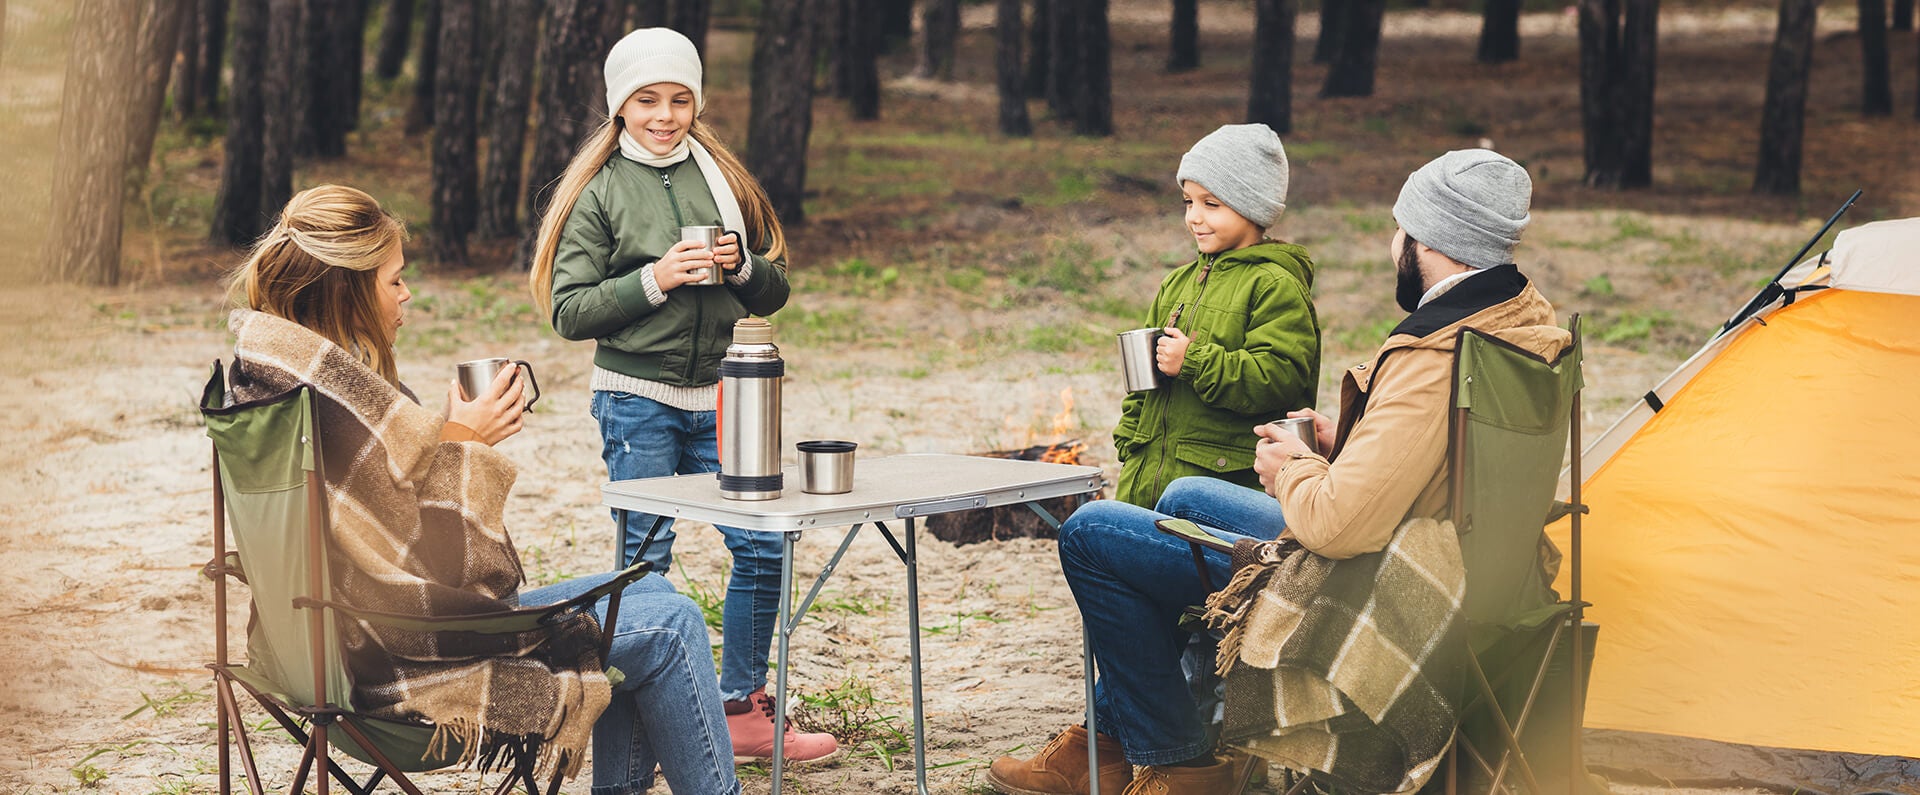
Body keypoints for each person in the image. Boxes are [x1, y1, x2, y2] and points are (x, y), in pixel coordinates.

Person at [987, 149, 1566, 795]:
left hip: (1381, 585)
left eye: (1402, 229)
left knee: (1092, 533)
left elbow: (1336, 526)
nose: (1392, 242)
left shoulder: (1437, 351)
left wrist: (1296, 466)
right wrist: (1347, 436)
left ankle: (1177, 761)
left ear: (1431, 240)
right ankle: (1118, 742)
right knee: (1183, 494)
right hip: (1463, 560)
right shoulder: (1520, 325)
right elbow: (1444, 456)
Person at [223, 184, 742, 795]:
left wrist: (442, 439)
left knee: (645, 590)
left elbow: (374, 525)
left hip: (317, 654)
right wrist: (468, 449)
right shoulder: (342, 410)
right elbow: (473, 585)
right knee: (670, 621)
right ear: (347, 288)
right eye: (394, 281)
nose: (407, 294)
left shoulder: (272, 387)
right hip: (405, 668)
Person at [526, 28, 838, 763]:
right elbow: (569, 310)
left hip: (727, 397)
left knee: (763, 547)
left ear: (697, 102)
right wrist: (657, 277)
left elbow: (777, 285)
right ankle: (642, 726)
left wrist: (741, 266)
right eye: (647, 100)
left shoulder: (721, 180)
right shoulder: (600, 193)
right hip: (637, 401)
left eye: (679, 99)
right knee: (645, 564)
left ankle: (741, 705)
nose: (665, 115)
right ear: (620, 107)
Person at [1112, 123, 1320, 509]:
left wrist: (1193, 361)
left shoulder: (1274, 284)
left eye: (1211, 204)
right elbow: (1141, 386)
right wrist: (1129, 441)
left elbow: (1281, 379)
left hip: (1222, 486)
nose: (1194, 217)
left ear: (1251, 208)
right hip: (1148, 475)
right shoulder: (1176, 283)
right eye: (1188, 202)